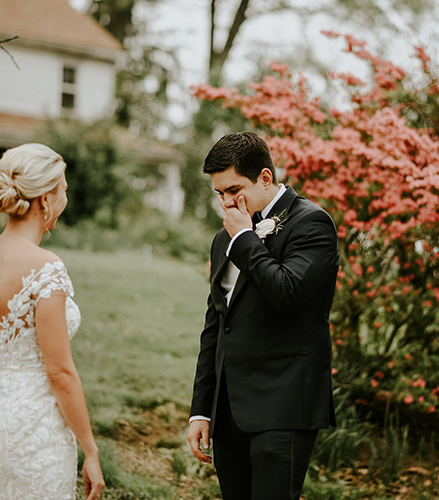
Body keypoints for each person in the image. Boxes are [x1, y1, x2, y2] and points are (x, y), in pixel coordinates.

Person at [187, 132, 339, 499]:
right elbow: (217, 324)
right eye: (219, 193)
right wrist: (201, 410)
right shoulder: (225, 237)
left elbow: (286, 293)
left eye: (233, 189)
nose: (225, 202)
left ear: (265, 178)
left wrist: (244, 240)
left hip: (282, 404)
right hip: (229, 410)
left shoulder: (312, 223)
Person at [0, 143, 104, 500]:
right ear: (45, 199)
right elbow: (60, 373)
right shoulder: (45, 267)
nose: (65, 201)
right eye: (64, 192)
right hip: (33, 430)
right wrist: (91, 450)